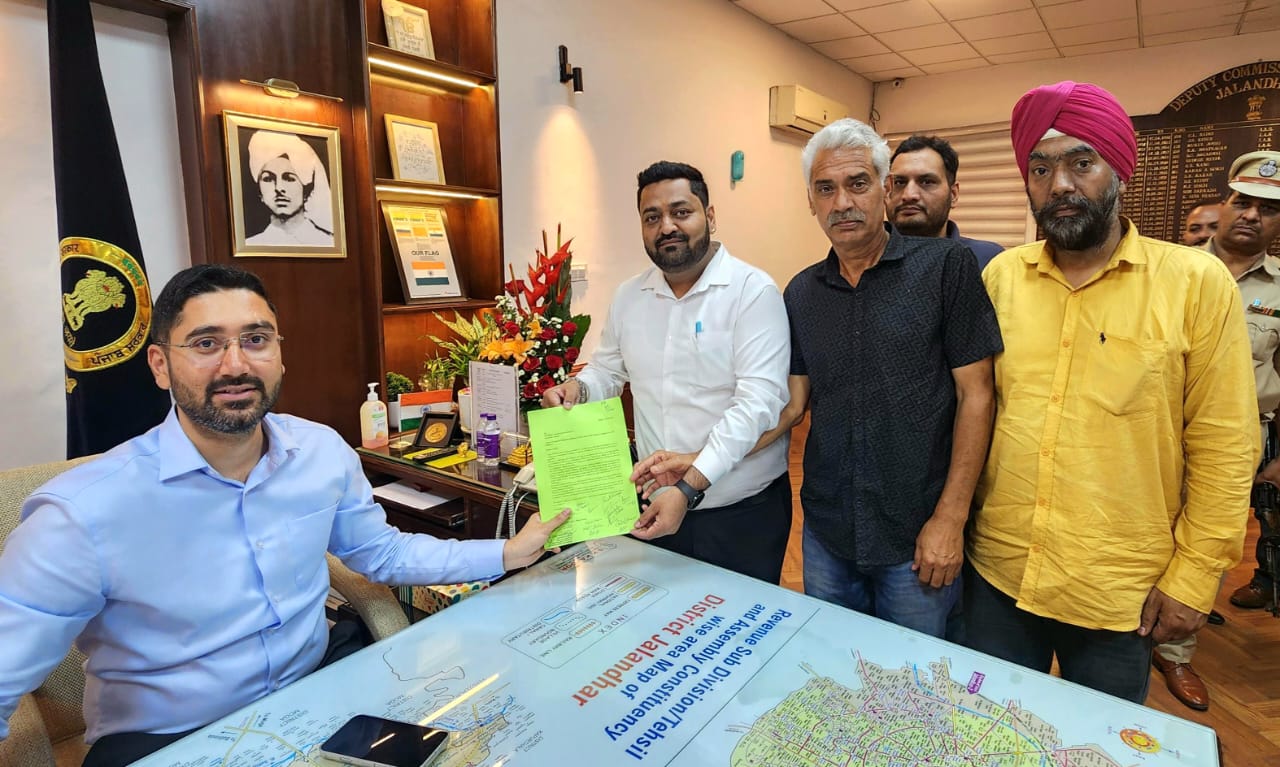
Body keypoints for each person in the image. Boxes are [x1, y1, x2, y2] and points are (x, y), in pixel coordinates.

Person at [0, 264, 568, 767]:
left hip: (319, 692)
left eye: (255, 339)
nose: (236, 364)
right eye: (205, 343)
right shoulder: (82, 513)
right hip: (170, 738)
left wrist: (506, 552)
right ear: (160, 365)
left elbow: (381, 552)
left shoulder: (320, 451)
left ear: (279, 353)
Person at [968, 80, 1257, 704]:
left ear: (1120, 170)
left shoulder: (1195, 282)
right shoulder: (1002, 277)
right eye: (1040, 169)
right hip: (999, 572)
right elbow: (974, 412)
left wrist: (1194, 576)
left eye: (1081, 163)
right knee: (987, 730)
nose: (1059, 185)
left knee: (1101, 742)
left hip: (1119, 591)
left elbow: (1226, 444)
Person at [779, 118, 1002, 639]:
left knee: (914, 677)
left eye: (857, 183)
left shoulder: (946, 268)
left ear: (885, 189)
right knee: (831, 661)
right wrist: (699, 461)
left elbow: (977, 396)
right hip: (829, 530)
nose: (842, 203)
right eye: (825, 189)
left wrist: (950, 520)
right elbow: (791, 405)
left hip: (916, 534)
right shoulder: (802, 292)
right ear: (810, 201)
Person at [542, 161, 793, 583]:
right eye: (652, 217)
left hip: (740, 514)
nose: (667, 227)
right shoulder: (630, 296)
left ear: (709, 216)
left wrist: (688, 487)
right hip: (656, 502)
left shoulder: (752, 292)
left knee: (736, 622)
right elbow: (607, 371)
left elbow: (757, 407)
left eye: (681, 212)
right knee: (657, 617)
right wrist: (577, 389)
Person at [1209, 151, 1280, 614]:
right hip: (1155, 431)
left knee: (1210, 546)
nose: (1252, 215)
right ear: (1224, 205)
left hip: (1237, 440)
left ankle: (1176, 645)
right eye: (1242, 202)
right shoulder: (1170, 270)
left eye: (1268, 208)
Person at [887, 134, 1005, 268]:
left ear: (953, 194)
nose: (909, 195)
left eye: (927, 182)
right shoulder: (869, 261)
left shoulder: (987, 260)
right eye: (899, 182)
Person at [244, 130, 334, 247]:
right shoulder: (251, 244)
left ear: (307, 191)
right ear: (260, 193)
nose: (279, 188)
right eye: (268, 179)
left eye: (289, 179)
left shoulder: (327, 243)